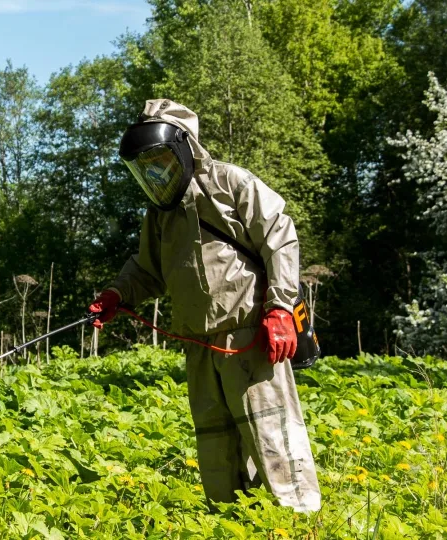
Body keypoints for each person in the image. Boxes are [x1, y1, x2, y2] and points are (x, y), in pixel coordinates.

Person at [89, 99, 321, 512]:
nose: (155, 173)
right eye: (144, 167)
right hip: (199, 344)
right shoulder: (160, 215)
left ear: (183, 149)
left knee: (271, 436)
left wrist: (281, 309)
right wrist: (116, 295)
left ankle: (300, 520)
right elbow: (147, 269)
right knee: (216, 445)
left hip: (250, 336)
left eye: (159, 161)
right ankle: (230, 521)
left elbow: (280, 236)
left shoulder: (231, 184)